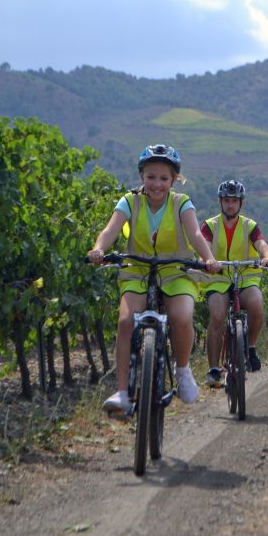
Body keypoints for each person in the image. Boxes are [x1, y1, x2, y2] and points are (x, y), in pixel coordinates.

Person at [88, 144, 221, 414]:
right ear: (141, 177)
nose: (157, 184)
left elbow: (195, 234)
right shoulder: (129, 200)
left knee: (182, 318)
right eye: (151, 177)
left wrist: (207, 258)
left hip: (175, 270)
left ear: (174, 180)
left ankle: (182, 370)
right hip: (137, 269)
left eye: (163, 178)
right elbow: (110, 229)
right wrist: (99, 249)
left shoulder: (181, 202)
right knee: (126, 321)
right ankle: (123, 392)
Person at [200, 179, 268, 387]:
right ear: (220, 202)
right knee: (217, 316)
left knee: (257, 305)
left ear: (240, 203)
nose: (230, 205)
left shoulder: (249, 225)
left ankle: (250, 346)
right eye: (226, 200)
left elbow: (262, 244)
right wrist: (206, 260)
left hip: (245, 276)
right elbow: (203, 246)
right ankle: (214, 369)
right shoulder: (210, 225)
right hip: (218, 277)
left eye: (234, 200)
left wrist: (267, 257)